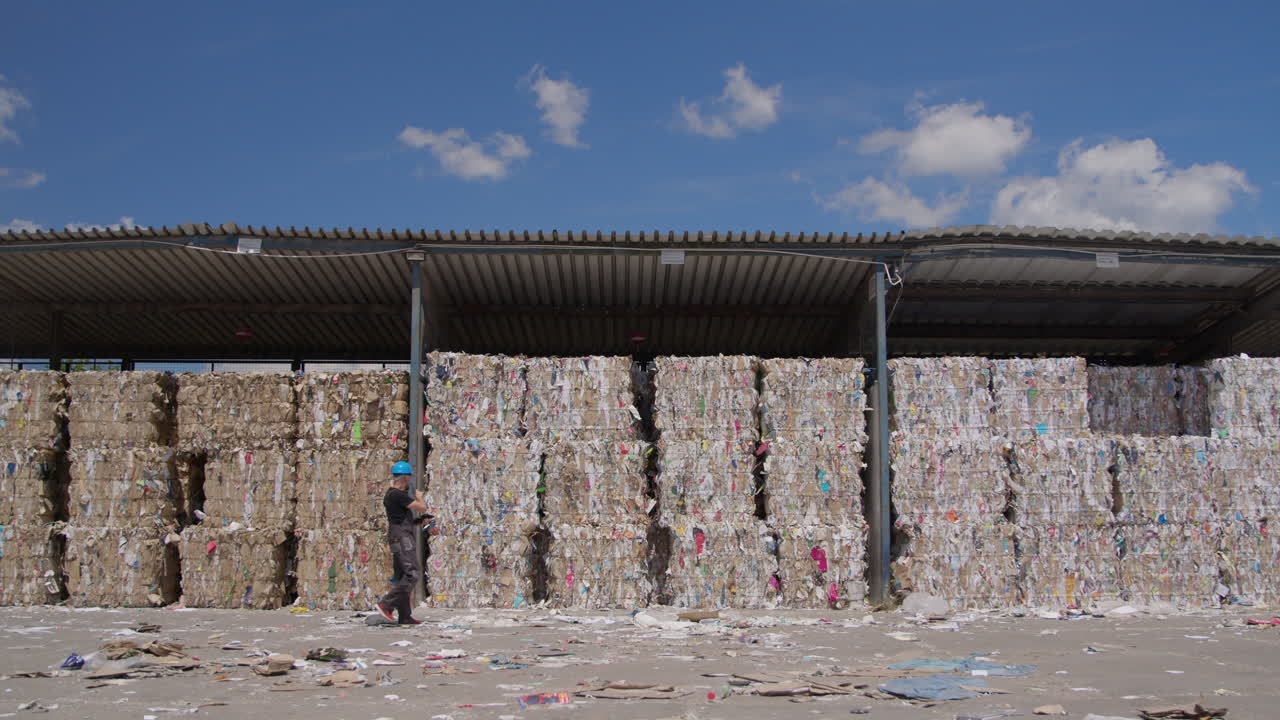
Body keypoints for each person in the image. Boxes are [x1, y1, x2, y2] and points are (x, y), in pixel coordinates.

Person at [376, 461, 431, 625]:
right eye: (409, 477)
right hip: (402, 538)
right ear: (405, 477)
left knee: (402, 576)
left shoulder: (393, 496)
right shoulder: (397, 494)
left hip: (398, 535)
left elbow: (402, 519)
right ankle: (386, 604)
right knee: (412, 573)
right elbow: (421, 507)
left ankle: (405, 615)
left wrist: (419, 522)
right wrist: (420, 497)